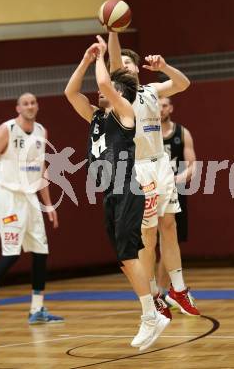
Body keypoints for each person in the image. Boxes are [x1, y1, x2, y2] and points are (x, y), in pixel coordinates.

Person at [64, 35, 170, 351]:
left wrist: (100, 57)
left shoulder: (124, 112)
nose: (100, 89)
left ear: (120, 91)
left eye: (108, 86)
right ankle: (151, 312)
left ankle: (151, 316)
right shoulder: (96, 116)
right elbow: (70, 93)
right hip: (110, 192)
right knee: (124, 260)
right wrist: (85, 59)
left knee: (128, 252)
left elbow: (106, 83)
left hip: (129, 187)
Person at [108, 32, 200, 318]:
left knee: (169, 226)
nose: (123, 65)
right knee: (147, 235)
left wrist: (164, 67)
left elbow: (183, 84)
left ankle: (179, 288)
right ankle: (153, 292)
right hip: (139, 167)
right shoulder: (121, 93)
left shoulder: (151, 91)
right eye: (120, 62)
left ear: (136, 67)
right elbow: (113, 63)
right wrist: (113, 31)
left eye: (128, 61)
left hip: (161, 164)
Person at [0, 92, 64, 328]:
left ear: (37, 106)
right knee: (12, 252)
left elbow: (41, 168)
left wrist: (48, 203)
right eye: (25, 103)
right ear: (18, 108)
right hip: (7, 194)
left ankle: (37, 309)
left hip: (30, 196)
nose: (30, 106)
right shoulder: (7, 129)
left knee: (41, 250)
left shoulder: (42, 132)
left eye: (33, 102)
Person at [156, 97, 197, 313]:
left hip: (174, 191)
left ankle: (166, 292)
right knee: (151, 243)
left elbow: (193, 166)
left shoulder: (182, 133)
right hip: (151, 191)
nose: (161, 108)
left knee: (169, 242)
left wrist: (178, 179)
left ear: (170, 108)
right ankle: (163, 292)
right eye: (157, 104)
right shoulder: (147, 132)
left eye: (164, 105)